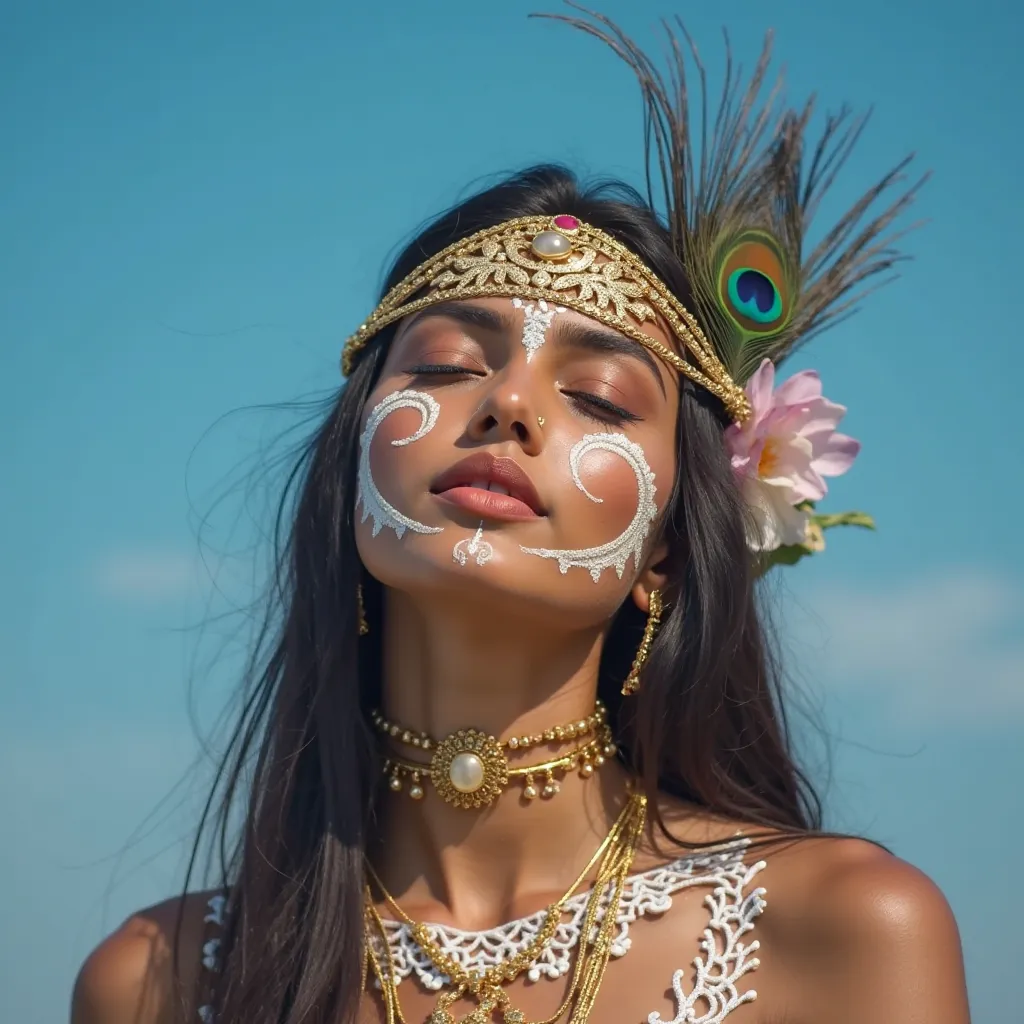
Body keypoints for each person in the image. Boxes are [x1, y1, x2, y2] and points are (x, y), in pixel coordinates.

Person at [70, 8, 971, 1024]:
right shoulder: (160, 982)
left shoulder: (843, 933)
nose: (507, 405)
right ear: (351, 460)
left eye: (598, 397)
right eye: (449, 365)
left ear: (667, 546)